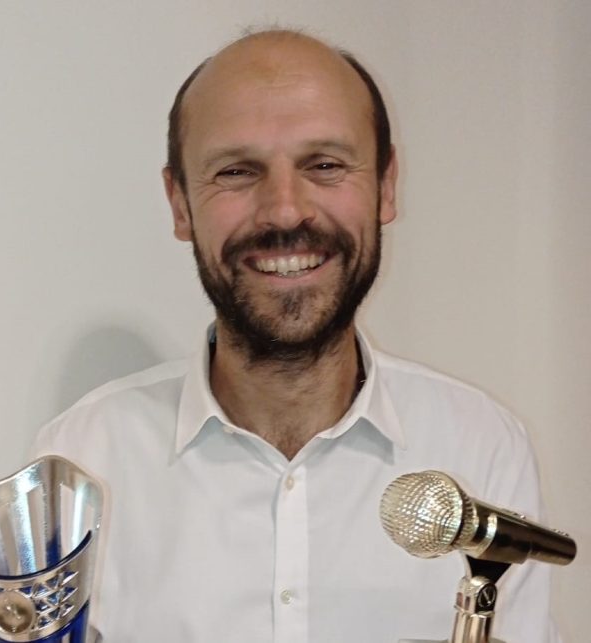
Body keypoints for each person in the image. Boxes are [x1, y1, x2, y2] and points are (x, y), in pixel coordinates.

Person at [34, 29, 560, 642]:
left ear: (386, 185)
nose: (285, 210)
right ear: (180, 204)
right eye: (236, 171)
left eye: (325, 165)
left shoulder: (483, 447)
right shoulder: (82, 457)